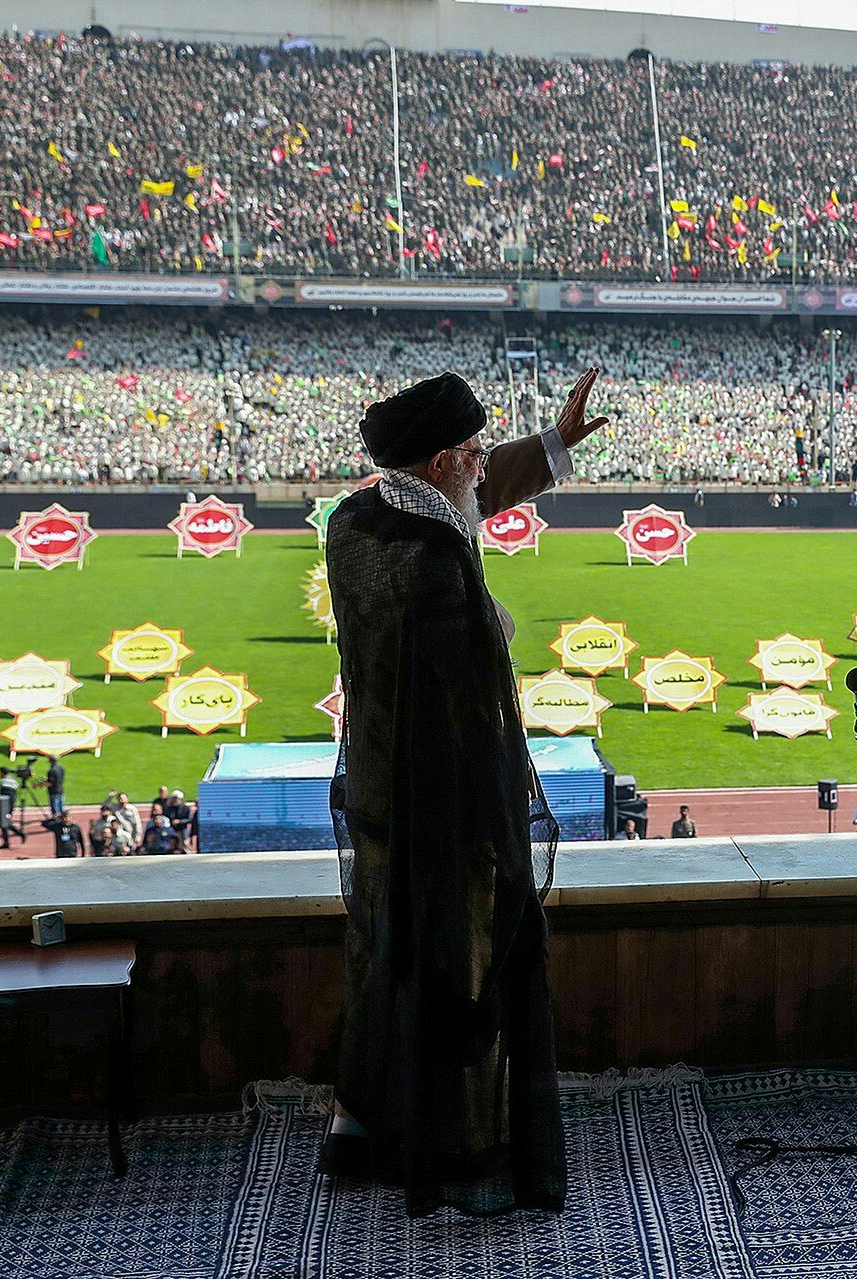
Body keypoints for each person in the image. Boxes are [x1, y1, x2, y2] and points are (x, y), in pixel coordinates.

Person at [322, 366, 606, 1218]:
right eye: (476, 452)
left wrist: (553, 444)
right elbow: (471, 685)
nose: (486, 465)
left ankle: (365, 1118)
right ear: (443, 461)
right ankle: (448, 1139)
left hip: (377, 786)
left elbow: (474, 496)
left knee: (383, 954)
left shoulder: (359, 519)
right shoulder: (436, 559)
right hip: (439, 798)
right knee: (453, 963)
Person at [0, 767, 26, 849]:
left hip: (5, 806)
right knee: (4, 823)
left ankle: (20, 834)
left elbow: (2, 796)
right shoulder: (13, 781)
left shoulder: (3, 782)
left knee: (4, 823)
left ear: (2, 773)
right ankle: (7, 842)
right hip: (11, 805)